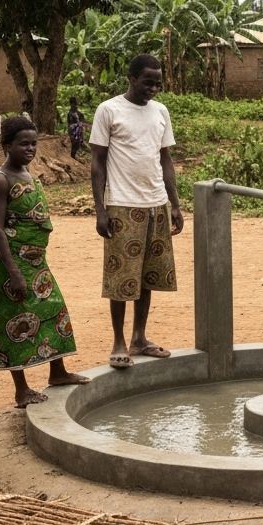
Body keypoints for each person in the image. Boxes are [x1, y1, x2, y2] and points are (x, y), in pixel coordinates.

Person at [0, 116, 89, 407]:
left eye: (33, 143)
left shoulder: (29, 175)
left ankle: (57, 371)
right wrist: (14, 272)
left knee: (53, 308)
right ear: (7, 146)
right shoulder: (0, 179)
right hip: (9, 262)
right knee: (13, 320)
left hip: (35, 261)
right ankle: (21, 389)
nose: (30, 149)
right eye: (23, 144)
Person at [90, 54, 184, 369]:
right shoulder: (109, 110)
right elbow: (97, 163)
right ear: (131, 78)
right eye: (148, 82)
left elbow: (166, 160)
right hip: (122, 204)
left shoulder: (161, 112)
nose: (154, 88)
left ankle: (139, 337)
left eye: (158, 82)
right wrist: (100, 209)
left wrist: (175, 203)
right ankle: (118, 340)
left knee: (146, 276)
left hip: (156, 203)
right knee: (121, 277)